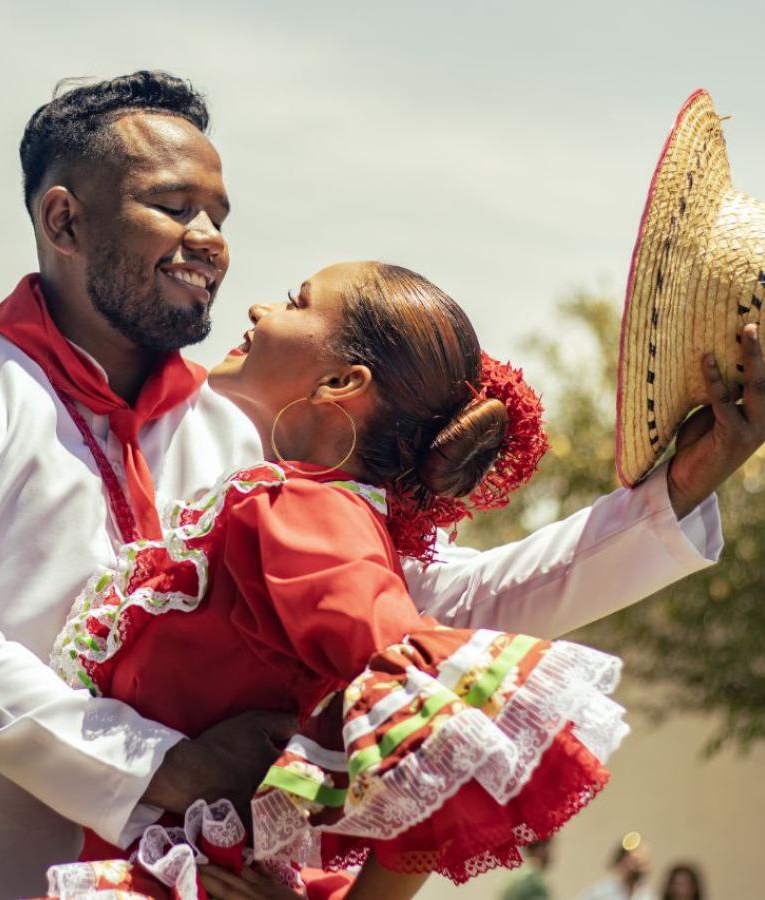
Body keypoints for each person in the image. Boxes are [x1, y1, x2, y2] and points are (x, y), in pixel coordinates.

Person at [0, 71, 765, 900]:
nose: (211, 240)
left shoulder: (249, 439)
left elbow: (423, 619)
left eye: (220, 212)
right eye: (174, 207)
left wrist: (670, 497)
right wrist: (166, 768)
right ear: (65, 220)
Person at [42, 260, 624, 900]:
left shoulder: (302, 508)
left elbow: (432, 721)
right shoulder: (322, 508)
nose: (259, 309)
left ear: (342, 381)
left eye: (296, 301)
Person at [576, 841, 656, 900]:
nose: (639, 868)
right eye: (634, 862)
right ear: (620, 863)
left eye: (643, 863)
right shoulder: (599, 894)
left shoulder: (648, 895)